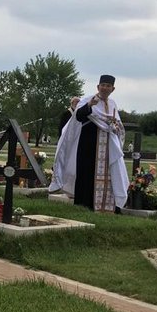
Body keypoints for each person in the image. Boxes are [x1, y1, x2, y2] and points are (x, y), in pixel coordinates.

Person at [48, 75, 128, 212]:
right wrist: (89, 106)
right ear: (98, 87)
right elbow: (78, 116)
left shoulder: (113, 103)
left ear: (112, 89)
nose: (105, 88)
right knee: (86, 175)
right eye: (102, 85)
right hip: (88, 144)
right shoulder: (88, 99)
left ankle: (106, 206)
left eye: (108, 86)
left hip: (107, 146)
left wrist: (115, 126)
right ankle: (85, 205)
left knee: (109, 175)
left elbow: (118, 124)